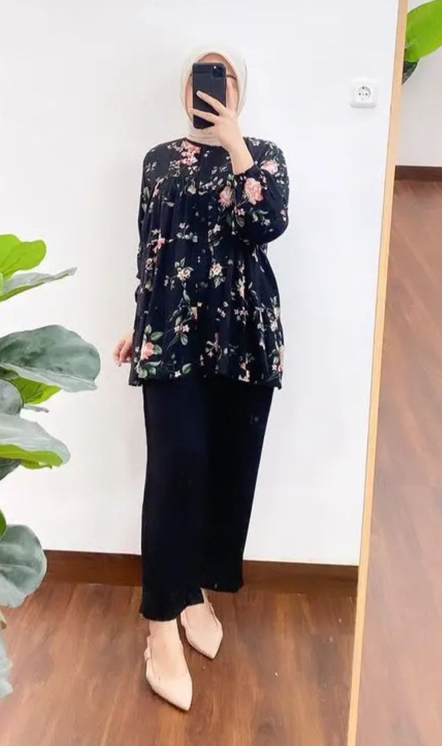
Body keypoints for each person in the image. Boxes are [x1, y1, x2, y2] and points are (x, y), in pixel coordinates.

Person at [113, 46, 289, 711]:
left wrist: (235, 142)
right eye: (201, 77)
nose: (211, 87)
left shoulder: (263, 154)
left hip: (243, 334)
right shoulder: (158, 159)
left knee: (226, 470)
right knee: (175, 466)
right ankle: (161, 623)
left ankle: (194, 593)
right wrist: (139, 321)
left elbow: (264, 223)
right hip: (171, 332)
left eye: (224, 77)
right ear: (184, 88)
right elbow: (150, 246)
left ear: (241, 89)